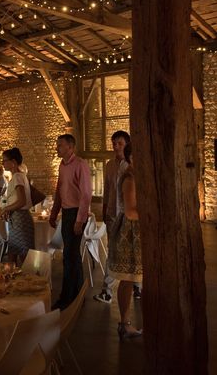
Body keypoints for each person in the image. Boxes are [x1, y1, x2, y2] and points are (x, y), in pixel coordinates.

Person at [50, 134, 92, 310]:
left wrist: (79, 220)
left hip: (76, 213)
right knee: (72, 256)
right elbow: (60, 189)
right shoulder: (62, 165)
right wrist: (54, 212)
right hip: (67, 213)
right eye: (57, 145)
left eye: (60, 145)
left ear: (70, 147)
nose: (57, 148)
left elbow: (86, 194)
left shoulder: (80, 165)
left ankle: (67, 299)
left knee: (69, 257)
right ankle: (77, 296)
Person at [107, 143, 143, 339]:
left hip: (138, 230)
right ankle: (124, 322)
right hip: (130, 232)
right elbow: (130, 211)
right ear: (130, 158)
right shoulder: (130, 178)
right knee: (128, 278)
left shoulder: (138, 176)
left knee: (135, 279)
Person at [94, 130, 131, 304]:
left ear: (127, 145)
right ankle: (107, 291)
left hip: (128, 214)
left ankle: (137, 287)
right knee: (112, 250)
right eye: (114, 143)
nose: (116, 146)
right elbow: (107, 189)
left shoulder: (130, 164)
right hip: (111, 215)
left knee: (131, 251)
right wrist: (104, 208)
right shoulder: (109, 165)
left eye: (120, 143)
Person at [1, 148, 34, 266]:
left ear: (13, 162)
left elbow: (21, 201)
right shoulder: (18, 176)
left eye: (4, 160)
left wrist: (6, 208)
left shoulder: (17, 177)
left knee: (24, 255)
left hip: (20, 219)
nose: (3, 163)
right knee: (13, 252)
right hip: (17, 219)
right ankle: (13, 279)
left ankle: (29, 281)